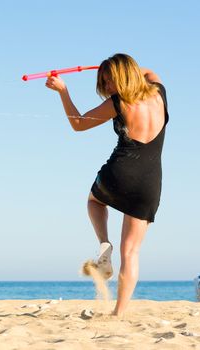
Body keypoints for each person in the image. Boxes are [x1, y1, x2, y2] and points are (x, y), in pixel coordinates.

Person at [45, 53, 168, 316]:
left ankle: (104, 243)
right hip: (149, 182)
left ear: (122, 77)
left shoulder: (119, 102)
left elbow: (78, 124)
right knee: (132, 253)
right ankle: (118, 314)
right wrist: (121, 68)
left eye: (109, 80)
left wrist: (63, 91)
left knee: (94, 200)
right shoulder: (159, 93)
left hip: (119, 173)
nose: (108, 87)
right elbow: (149, 71)